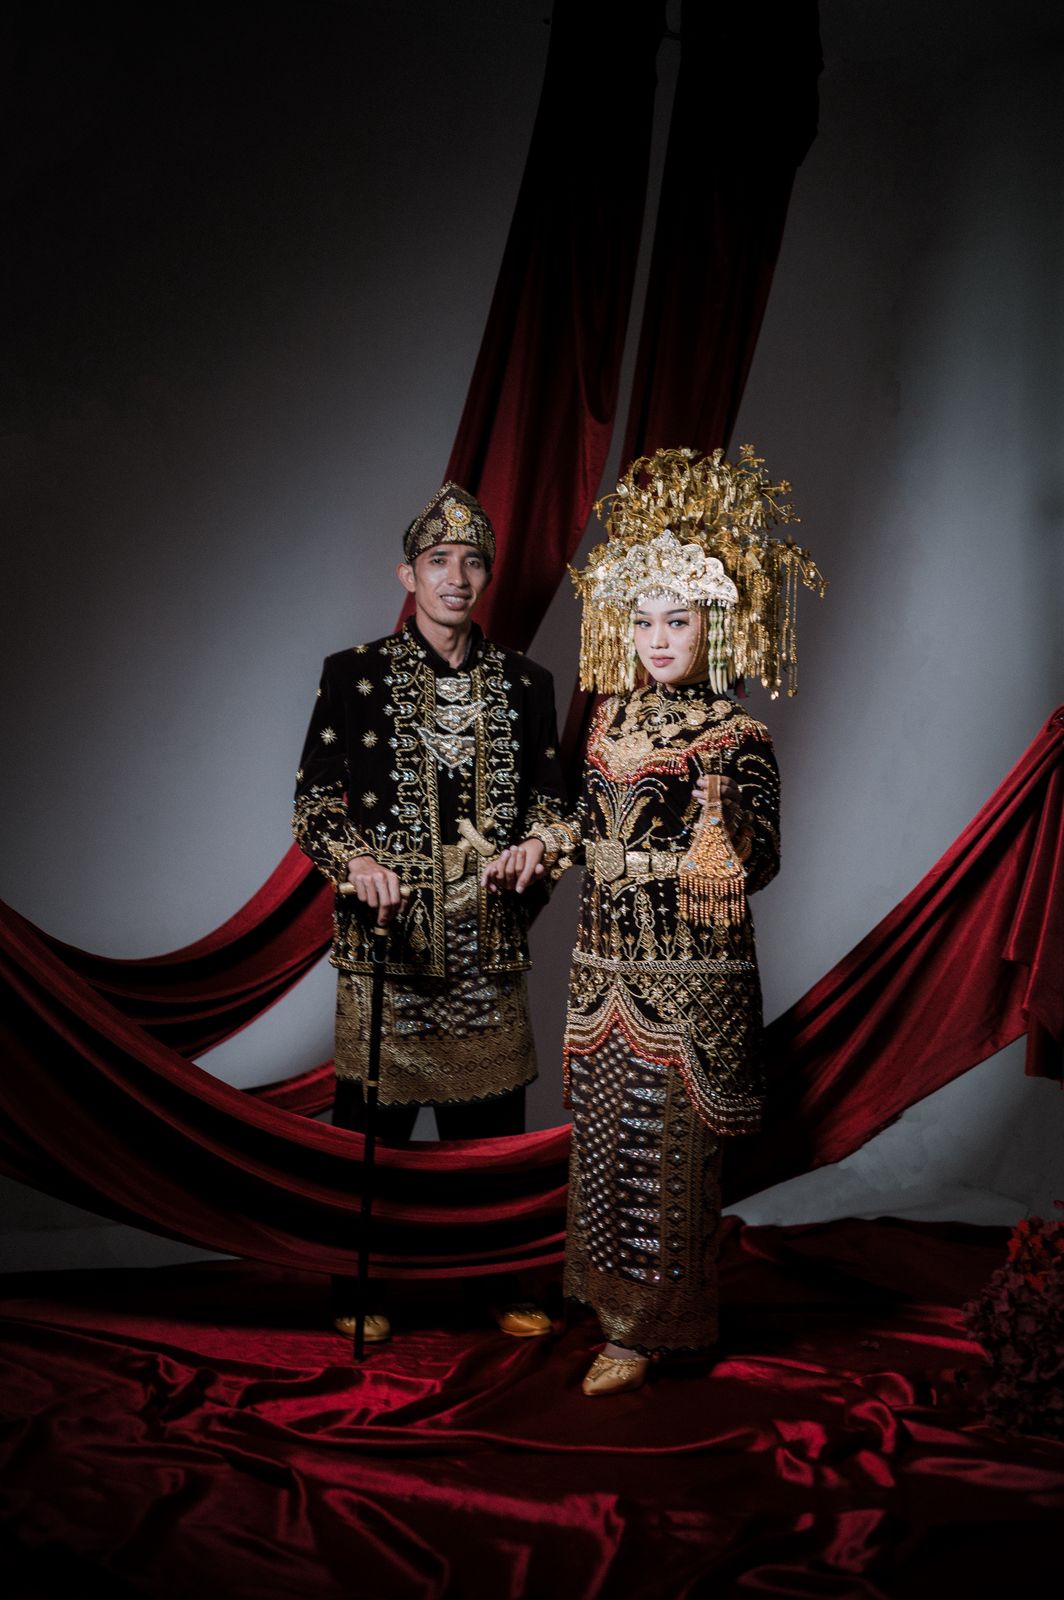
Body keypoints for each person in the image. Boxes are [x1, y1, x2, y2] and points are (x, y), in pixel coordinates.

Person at [487, 445, 825, 1394]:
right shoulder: (608, 723)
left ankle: (652, 1331)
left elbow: (764, 860)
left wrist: (725, 832)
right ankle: (605, 1304)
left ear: (715, 625)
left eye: (677, 620)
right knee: (604, 1143)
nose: (657, 638)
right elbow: (583, 822)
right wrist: (542, 844)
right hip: (603, 966)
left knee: (665, 1149)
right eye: (642, 620)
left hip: (688, 979)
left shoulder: (736, 735)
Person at [293, 482, 569, 1341]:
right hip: (389, 938)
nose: (457, 577)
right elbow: (314, 807)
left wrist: (538, 845)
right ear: (407, 574)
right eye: (439, 560)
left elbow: (555, 808)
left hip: (487, 936)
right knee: (370, 1129)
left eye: (473, 562)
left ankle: (498, 1282)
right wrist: (357, 862)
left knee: (489, 1129)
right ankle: (358, 1286)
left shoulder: (526, 683)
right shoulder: (353, 674)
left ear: (487, 577)